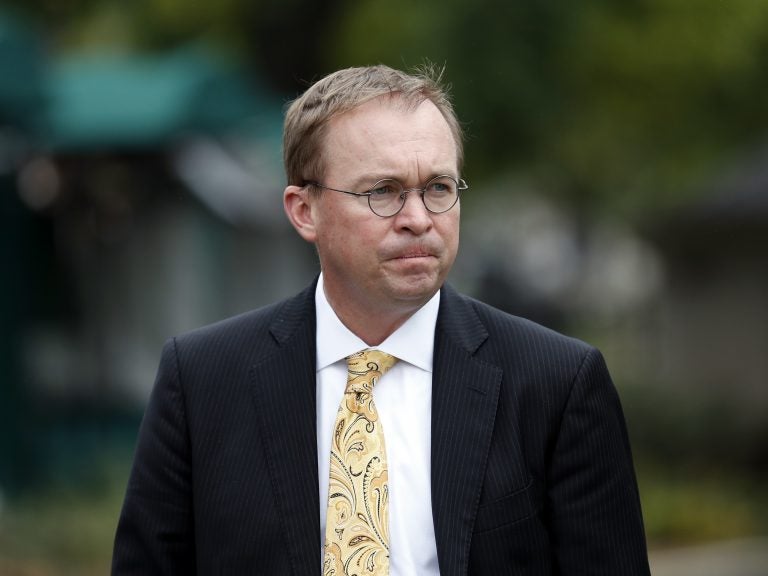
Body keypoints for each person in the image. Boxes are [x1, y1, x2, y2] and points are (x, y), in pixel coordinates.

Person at [112, 64, 651, 575]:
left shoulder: (556, 383)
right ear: (305, 210)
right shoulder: (203, 379)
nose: (418, 219)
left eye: (438, 188)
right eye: (383, 192)